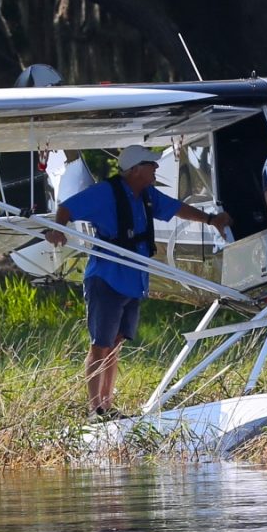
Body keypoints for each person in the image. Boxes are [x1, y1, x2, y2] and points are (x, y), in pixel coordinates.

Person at [47, 144, 234, 417]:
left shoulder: (146, 195)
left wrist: (210, 219)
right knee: (101, 344)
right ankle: (94, 409)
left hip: (134, 280)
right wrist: (58, 230)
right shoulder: (104, 193)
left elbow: (177, 208)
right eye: (151, 164)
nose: (157, 168)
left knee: (116, 342)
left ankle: (106, 405)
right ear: (135, 170)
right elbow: (66, 209)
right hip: (107, 277)